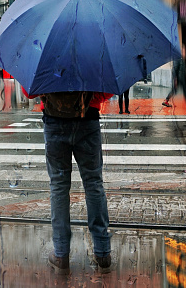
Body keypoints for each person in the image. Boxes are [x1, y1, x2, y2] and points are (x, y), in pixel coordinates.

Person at [23, 89, 113, 275]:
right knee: (94, 184)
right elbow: (106, 89)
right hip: (88, 118)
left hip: (54, 121)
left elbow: (29, 91)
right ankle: (102, 252)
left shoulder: (47, 59)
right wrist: (91, 98)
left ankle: (61, 253)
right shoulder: (92, 58)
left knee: (59, 187)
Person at [162, 44, 186, 109]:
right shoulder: (177, 58)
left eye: (184, 50)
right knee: (175, 90)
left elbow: (183, 68)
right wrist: (175, 79)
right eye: (183, 50)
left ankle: (167, 100)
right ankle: (166, 100)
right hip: (179, 78)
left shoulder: (181, 58)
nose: (184, 52)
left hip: (182, 77)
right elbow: (175, 69)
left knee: (180, 90)